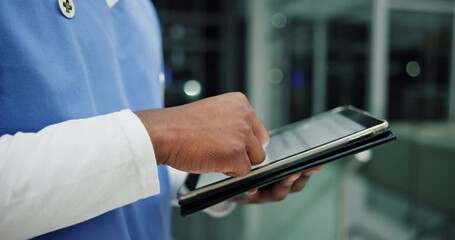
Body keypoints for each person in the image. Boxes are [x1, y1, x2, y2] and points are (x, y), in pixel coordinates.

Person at [0, 1, 319, 239]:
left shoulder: (141, 12)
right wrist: (164, 136)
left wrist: (217, 180)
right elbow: (146, 142)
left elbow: (136, 164)